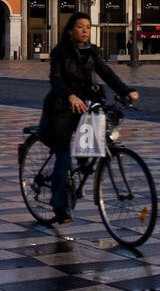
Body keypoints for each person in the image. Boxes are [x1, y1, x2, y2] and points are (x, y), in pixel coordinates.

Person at [38, 13, 139, 225]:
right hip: (61, 110)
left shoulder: (92, 52)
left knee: (92, 150)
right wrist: (69, 96)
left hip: (86, 107)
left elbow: (107, 73)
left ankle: (75, 180)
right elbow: (55, 79)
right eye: (80, 27)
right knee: (64, 155)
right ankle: (60, 206)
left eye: (88, 27)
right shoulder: (61, 52)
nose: (85, 31)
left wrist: (126, 90)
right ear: (70, 30)